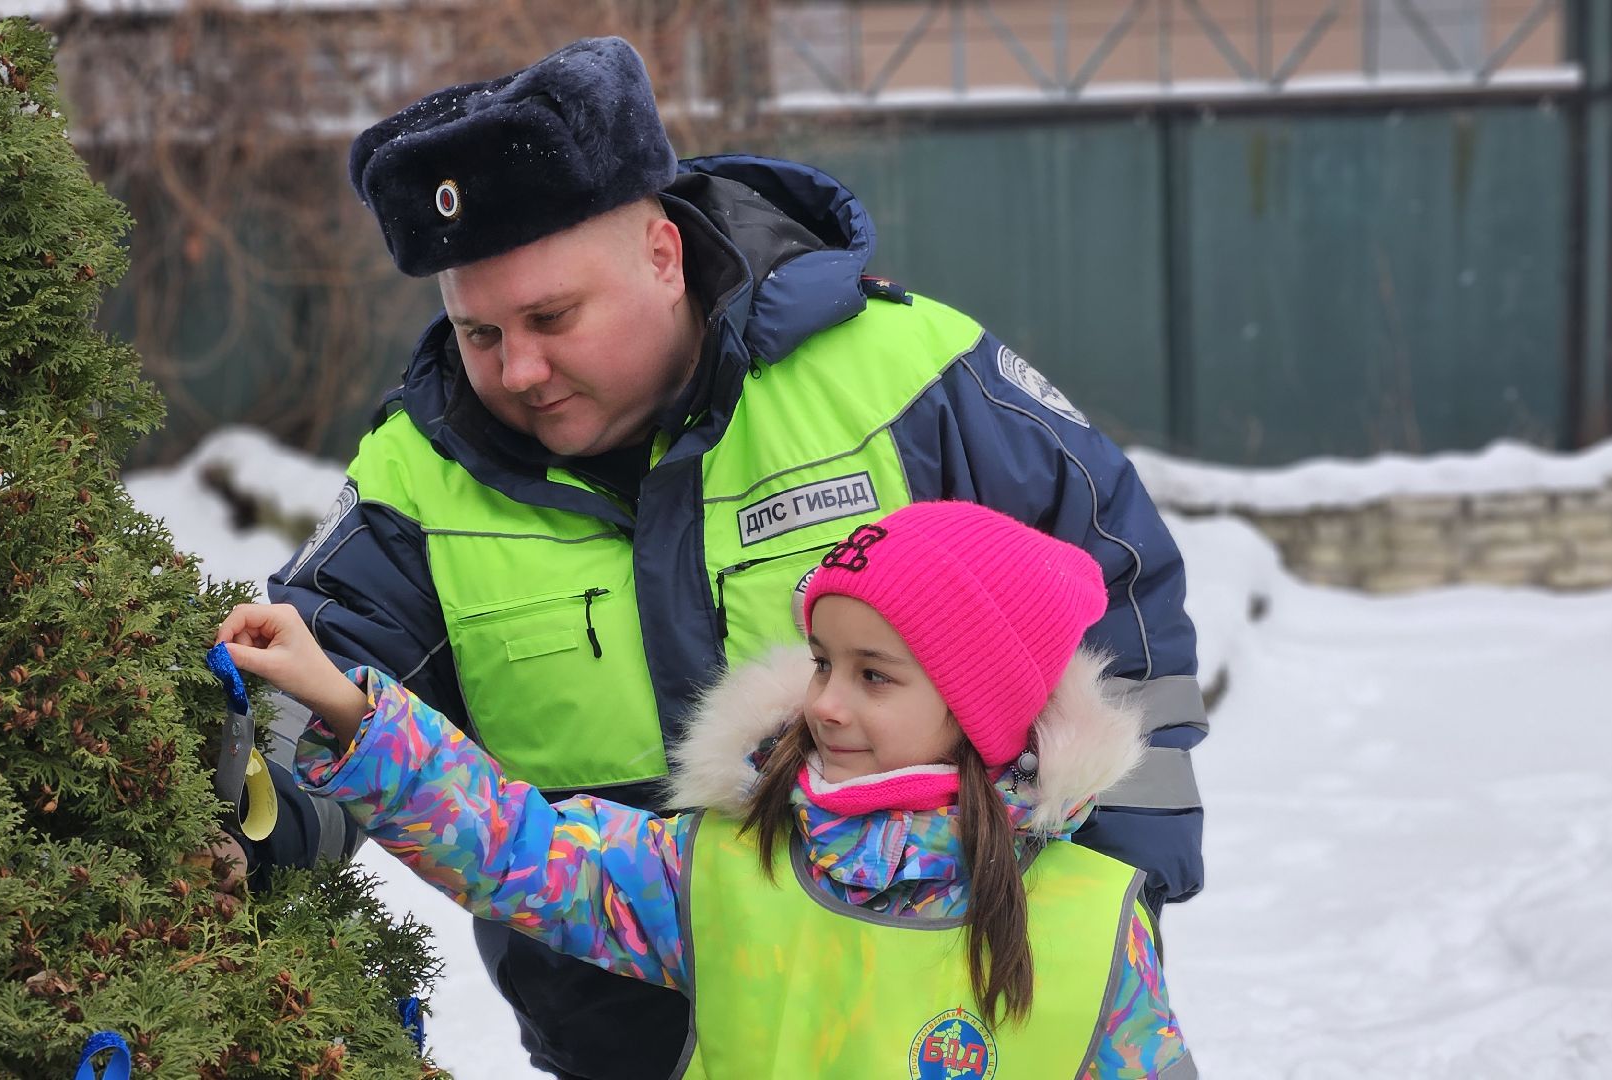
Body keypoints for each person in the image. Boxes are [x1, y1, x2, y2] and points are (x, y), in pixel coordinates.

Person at [259, 34, 1208, 1079]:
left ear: (662, 255)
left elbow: (1119, 607)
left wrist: (1109, 894)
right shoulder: (413, 475)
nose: (518, 368)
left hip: (978, 1015)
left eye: (551, 317)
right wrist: (255, 811)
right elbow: (315, 690)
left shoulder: (903, 373)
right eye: (477, 335)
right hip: (612, 1041)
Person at [226, 502, 1196, 1078]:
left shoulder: (1088, 918)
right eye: (822, 662)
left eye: (874, 676)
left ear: (977, 712)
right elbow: (519, 851)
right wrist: (350, 712)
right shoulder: (725, 867)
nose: (825, 704)